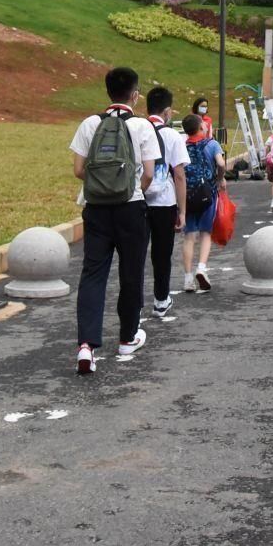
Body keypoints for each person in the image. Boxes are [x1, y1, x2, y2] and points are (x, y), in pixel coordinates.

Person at [71, 66, 161, 375]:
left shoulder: (90, 123)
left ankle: (86, 346)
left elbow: (79, 170)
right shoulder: (142, 126)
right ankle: (127, 337)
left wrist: (102, 185)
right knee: (131, 272)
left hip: (96, 208)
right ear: (135, 95)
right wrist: (132, 188)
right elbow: (149, 173)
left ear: (108, 92)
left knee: (93, 274)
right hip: (130, 207)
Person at [141, 86, 189, 320]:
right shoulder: (173, 136)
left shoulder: (136, 129)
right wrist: (182, 210)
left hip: (137, 199)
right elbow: (179, 175)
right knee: (162, 254)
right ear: (167, 111)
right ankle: (161, 300)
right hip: (164, 202)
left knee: (135, 253)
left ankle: (134, 303)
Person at [178, 110, 226, 292]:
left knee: (189, 236)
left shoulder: (182, 146)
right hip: (207, 193)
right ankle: (201, 268)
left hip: (188, 195)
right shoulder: (212, 144)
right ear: (200, 127)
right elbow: (221, 164)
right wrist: (220, 178)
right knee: (206, 233)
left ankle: (187, 278)